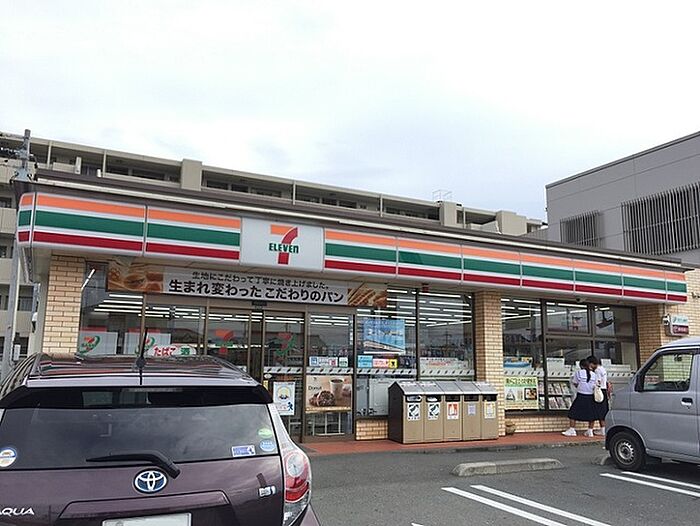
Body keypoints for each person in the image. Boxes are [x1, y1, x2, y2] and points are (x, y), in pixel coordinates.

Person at [562, 358, 597, 437]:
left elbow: (575, 383)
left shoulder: (578, 373)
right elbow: (595, 384)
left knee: (573, 413)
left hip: (581, 395)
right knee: (592, 414)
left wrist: (580, 386)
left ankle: (572, 430)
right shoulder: (594, 374)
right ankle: (590, 431)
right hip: (590, 396)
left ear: (581, 366)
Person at [587, 355, 609, 436]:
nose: (589, 366)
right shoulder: (602, 369)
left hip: (598, 391)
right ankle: (603, 430)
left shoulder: (597, 370)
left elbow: (597, 382)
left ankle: (590, 430)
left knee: (593, 411)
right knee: (602, 412)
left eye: (589, 364)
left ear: (592, 363)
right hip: (603, 391)